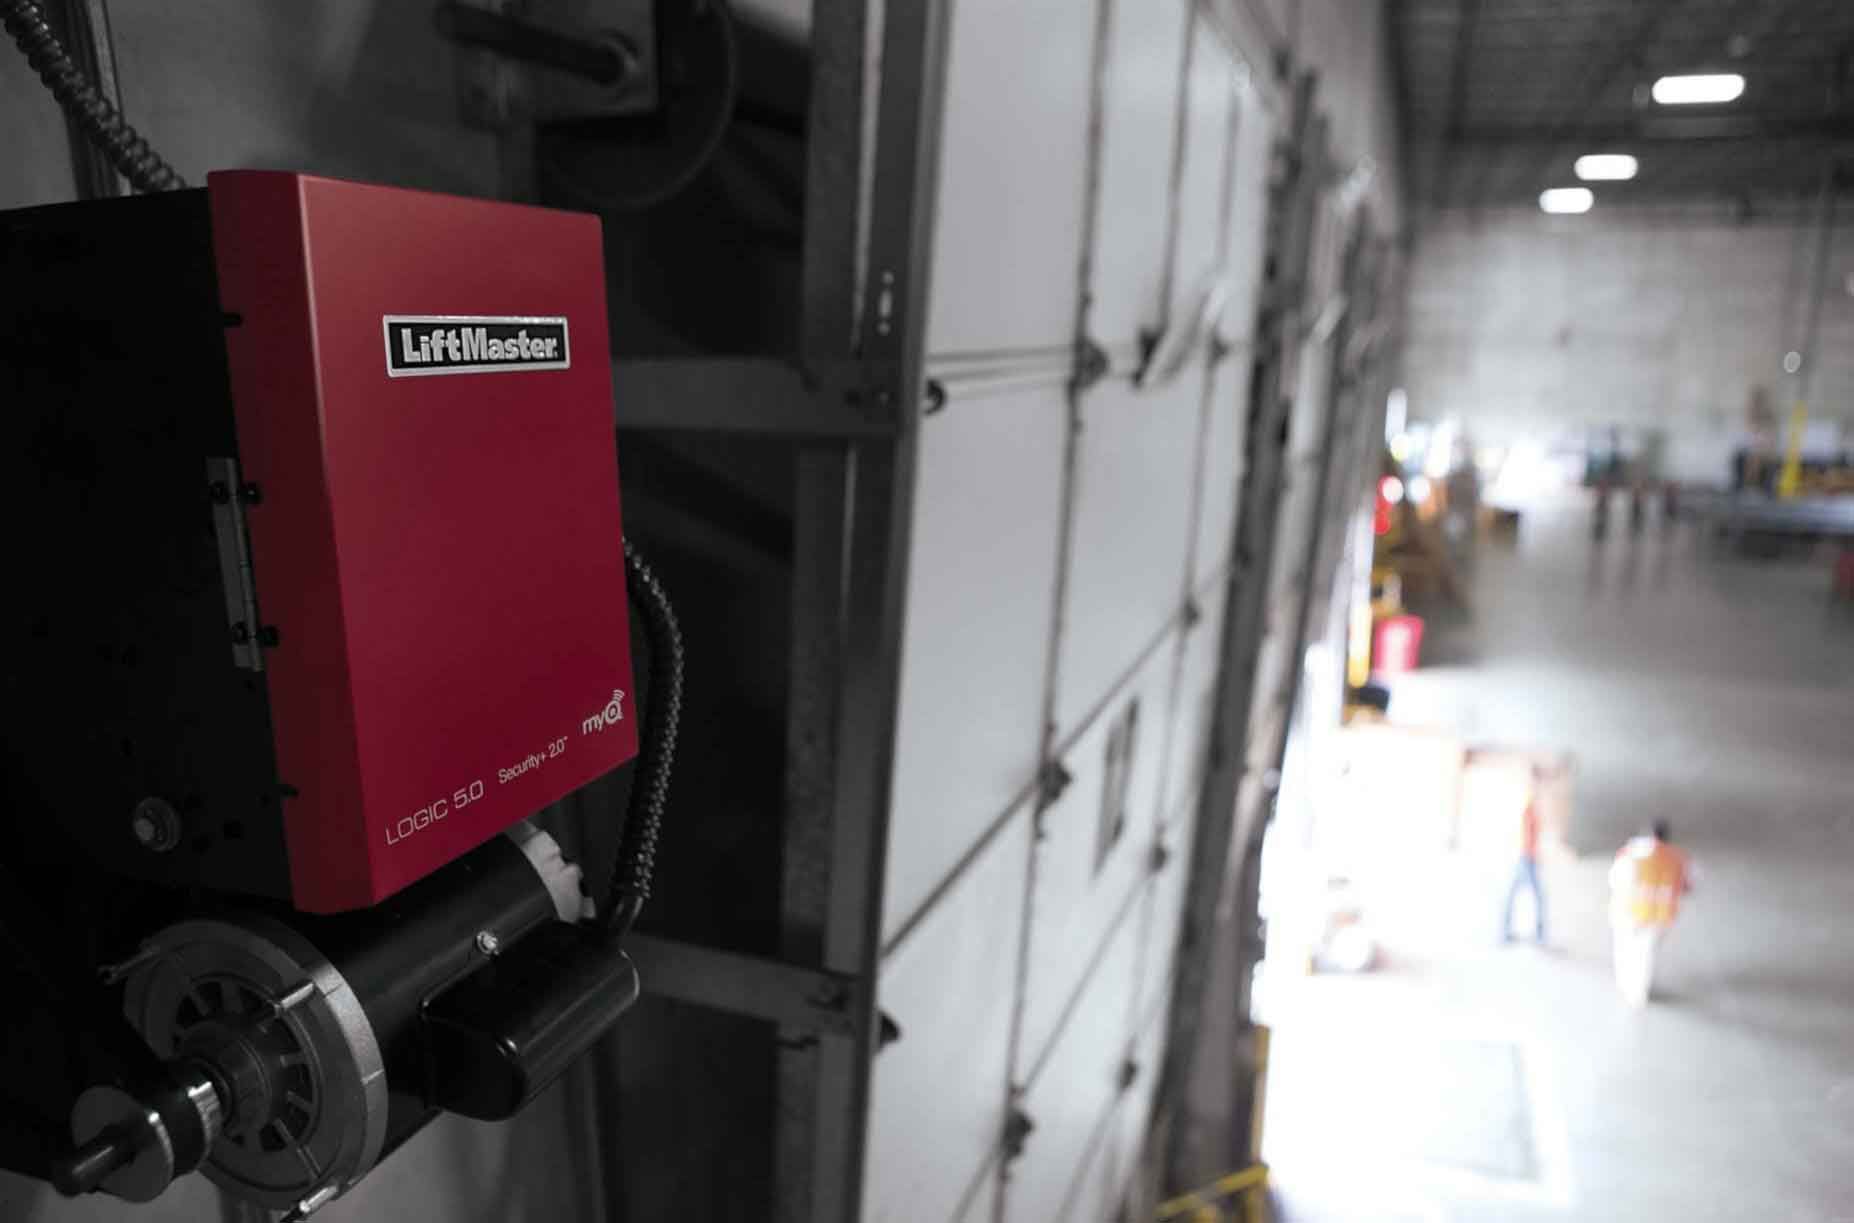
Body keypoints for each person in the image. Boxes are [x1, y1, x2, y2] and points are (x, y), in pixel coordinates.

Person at [1608, 820, 1693, 1006]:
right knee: (1646, 953)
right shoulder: (1677, 858)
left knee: (1625, 947)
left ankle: (1625, 982)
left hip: (1630, 911)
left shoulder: (1631, 853)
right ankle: (1639, 992)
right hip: (1659, 916)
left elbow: (1615, 879)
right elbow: (1688, 885)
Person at [1499, 770, 1547, 945]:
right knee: (1537, 896)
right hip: (1526, 857)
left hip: (1526, 856)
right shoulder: (1528, 807)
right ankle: (1537, 935)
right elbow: (1527, 835)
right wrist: (1533, 854)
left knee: (1517, 895)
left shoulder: (1531, 805)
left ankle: (1505, 932)